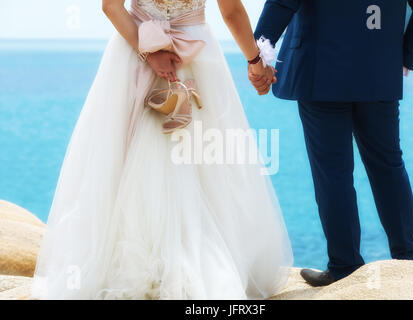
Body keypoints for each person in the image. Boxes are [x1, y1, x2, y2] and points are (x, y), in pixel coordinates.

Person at [31, 0, 293, 299]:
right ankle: (204, 258)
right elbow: (231, 11)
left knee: (119, 158)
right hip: (196, 52)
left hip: (132, 50)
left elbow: (110, 7)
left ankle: (117, 264)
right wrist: (255, 62)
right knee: (205, 156)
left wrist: (149, 51)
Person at [250, 0, 413, 286]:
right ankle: (409, 258)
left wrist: (257, 55)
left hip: (319, 69)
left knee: (333, 175)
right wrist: (404, 56)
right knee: (387, 165)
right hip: (378, 68)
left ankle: (345, 265)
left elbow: (282, 2)